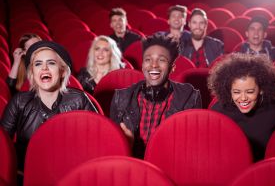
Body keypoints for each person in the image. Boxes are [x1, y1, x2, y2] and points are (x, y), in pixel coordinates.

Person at [0, 41, 98, 173]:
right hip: (26, 173)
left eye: (51, 63)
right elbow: (3, 145)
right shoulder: (19, 101)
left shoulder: (79, 99)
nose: (44, 68)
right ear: (33, 73)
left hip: (70, 173)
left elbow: (98, 139)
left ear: (62, 71)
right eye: (38, 64)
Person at [110, 35, 202, 157]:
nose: (154, 65)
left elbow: (191, 150)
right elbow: (113, 150)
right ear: (142, 66)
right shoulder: (120, 98)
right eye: (148, 59)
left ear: (172, 68)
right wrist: (126, 146)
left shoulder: (190, 98)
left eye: (161, 60)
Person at [207, 53, 275, 161]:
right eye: (237, 92)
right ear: (229, 91)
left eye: (250, 91)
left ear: (261, 89)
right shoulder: (219, 110)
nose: (243, 98)